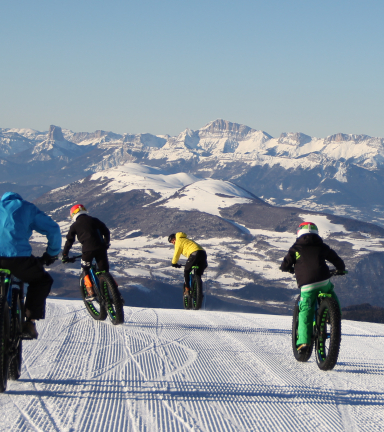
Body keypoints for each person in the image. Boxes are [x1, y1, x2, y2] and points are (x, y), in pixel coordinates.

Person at [0, 192, 61, 339]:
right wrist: (51, 253)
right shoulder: (26, 207)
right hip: (19, 258)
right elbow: (53, 229)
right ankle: (29, 322)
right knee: (42, 281)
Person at [280, 222, 346, 352]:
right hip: (323, 280)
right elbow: (336, 259)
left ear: (299, 233)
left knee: (305, 310)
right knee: (331, 293)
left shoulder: (296, 248)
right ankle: (334, 317)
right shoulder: (322, 246)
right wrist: (340, 269)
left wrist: (287, 269)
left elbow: (285, 265)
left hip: (307, 285)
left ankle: (304, 343)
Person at [62, 204, 111, 299]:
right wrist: (106, 243)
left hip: (87, 251)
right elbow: (106, 231)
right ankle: (114, 291)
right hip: (101, 249)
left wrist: (65, 255)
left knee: (85, 269)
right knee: (105, 272)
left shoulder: (75, 225)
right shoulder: (94, 220)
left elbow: (69, 241)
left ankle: (90, 292)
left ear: (73, 214)